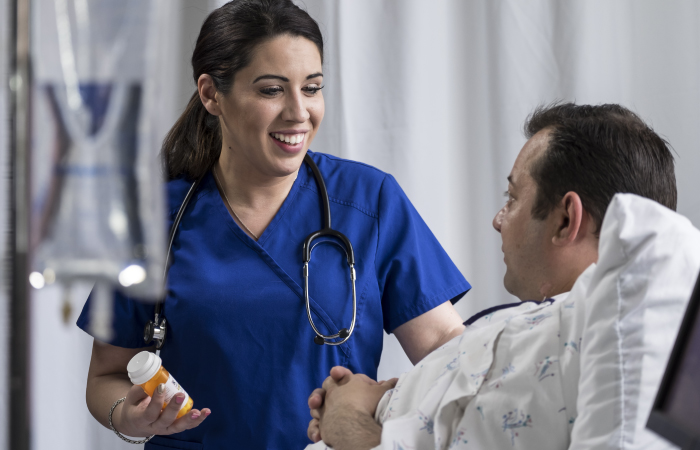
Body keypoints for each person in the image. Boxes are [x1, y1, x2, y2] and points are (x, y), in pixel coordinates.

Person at [77, 1, 471, 448]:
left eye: (312, 87)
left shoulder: (369, 201)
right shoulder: (150, 220)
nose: (299, 112)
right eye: (271, 90)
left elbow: (444, 347)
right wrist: (128, 416)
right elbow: (107, 375)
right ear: (211, 94)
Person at [306, 102, 679, 449]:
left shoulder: (593, 340)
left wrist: (347, 419)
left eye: (513, 198)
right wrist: (387, 397)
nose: (498, 220)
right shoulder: (545, 332)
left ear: (566, 220)